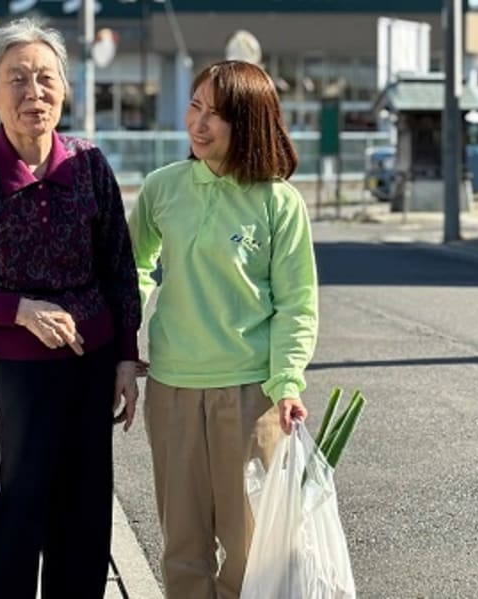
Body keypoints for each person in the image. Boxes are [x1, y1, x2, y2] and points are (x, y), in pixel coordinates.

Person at [0, 19, 142, 599]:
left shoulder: (88, 164)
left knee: (85, 526)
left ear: (66, 90)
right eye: (17, 79)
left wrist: (124, 359)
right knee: (9, 528)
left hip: (89, 373)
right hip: (8, 383)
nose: (33, 92)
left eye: (45, 78)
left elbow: (119, 268)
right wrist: (17, 310)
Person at [128, 60, 319, 599]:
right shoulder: (163, 188)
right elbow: (132, 269)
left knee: (251, 548)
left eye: (218, 114)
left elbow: (297, 302)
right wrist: (127, 337)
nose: (200, 123)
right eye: (195, 106)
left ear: (251, 123)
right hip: (172, 387)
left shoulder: (278, 202)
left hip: (251, 394)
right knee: (183, 548)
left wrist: (287, 381)